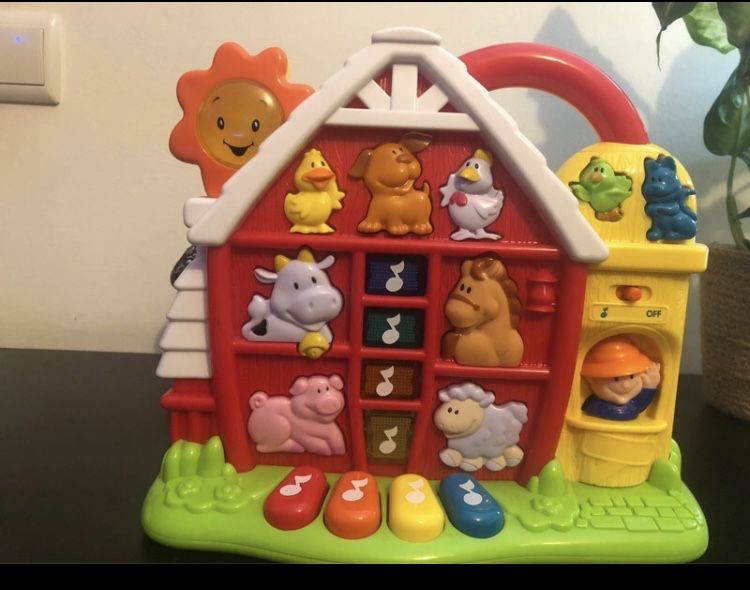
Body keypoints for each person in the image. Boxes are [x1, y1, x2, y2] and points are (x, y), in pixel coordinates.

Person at [580, 337, 661, 421]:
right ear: (592, 379)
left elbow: (640, 404)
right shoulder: (594, 405)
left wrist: (650, 385)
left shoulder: (632, 406)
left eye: (631, 376)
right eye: (616, 379)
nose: (626, 385)